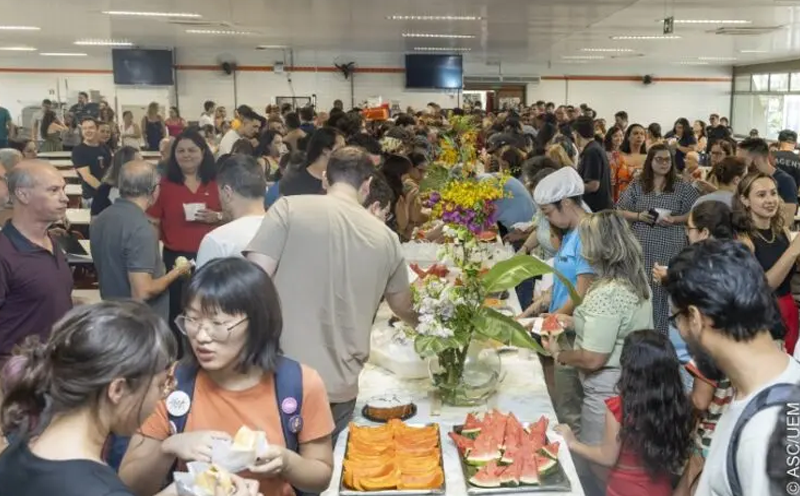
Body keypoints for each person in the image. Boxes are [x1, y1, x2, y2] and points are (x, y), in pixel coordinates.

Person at [120, 258, 335, 496]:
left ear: (258, 323)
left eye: (217, 323)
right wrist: (169, 447)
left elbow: (321, 476)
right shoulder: (171, 382)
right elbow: (130, 485)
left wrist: (287, 462)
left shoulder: (300, 383)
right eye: (192, 320)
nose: (201, 336)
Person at [245, 147, 417, 442]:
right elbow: (402, 306)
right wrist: (428, 324)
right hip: (339, 384)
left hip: (278, 373)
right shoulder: (386, 238)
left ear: (325, 179)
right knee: (322, 471)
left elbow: (251, 280)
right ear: (366, 186)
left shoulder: (288, 209)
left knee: (272, 468)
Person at [0, 301, 237, 496]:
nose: (162, 395)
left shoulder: (18, 452)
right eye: (160, 384)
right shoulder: (101, 488)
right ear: (117, 390)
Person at [665, 239, 800, 496]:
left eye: (677, 319)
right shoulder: (758, 391)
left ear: (694, 318)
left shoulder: (766, 435)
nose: (680, 331)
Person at [542, 211, 654, 455]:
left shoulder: (607, 292)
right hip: (633, 377)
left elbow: (593, 358)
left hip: (606, 386)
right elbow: (615, 324)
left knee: (598, 456)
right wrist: (572, 322)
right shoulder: (636, 279)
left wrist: (559, 353)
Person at [554, 330, 693, 496]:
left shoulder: (619, 407)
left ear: (627, 367)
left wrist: (572, 442)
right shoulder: (678, 405)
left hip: (623, 490)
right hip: (661, 490)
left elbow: (607, 457)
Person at [91, 161, 192, 323]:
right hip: (140, 324)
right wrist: (177, 272)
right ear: (154, 190)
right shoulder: (140, 227)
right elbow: (143, 291)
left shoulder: (101, 219)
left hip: (112, 314)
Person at [616, 144, 699, 335]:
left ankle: (662, 335)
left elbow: (695, 211)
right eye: (658, 159)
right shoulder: (638, 184)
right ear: (650, 161)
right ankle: (640, 332)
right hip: (642, 244)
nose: (663, 163)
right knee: (641, 288)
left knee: (663, 290)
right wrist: (639, 216)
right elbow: (619, 209)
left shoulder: (681, 186)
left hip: (671, 244)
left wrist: (676, 219)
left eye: (667, 159)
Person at [147, 129, 222, 330]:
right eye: (180, 151)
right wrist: (153, 260)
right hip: (175, 260)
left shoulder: (217, 183)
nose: (186, 155)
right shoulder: (164, 186)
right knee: (177, 312)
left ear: (203, 152)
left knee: (210, 310)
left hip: (211, 257)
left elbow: (235, 216)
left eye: (192, 150)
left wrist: (218, 217)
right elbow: (153, 221)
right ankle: (179, 356)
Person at [0, 161, 72, 363]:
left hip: (54, 370)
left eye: (64, 189)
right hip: (19, 380)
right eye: (53, 190)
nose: (64, 198)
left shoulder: (52, 243)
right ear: (23, 195)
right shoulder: (4, 253)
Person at [733, 172, 800, 355]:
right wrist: (793, 250)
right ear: (745, 201)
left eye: (773, 193)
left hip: (789, 311)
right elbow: (763, 286)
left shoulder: (783, 231)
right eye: (761, 195)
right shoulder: (743, 240)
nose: (770, 200)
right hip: (761, 316)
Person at [196, 155, 266, 268]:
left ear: (227, 192)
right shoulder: (285, 232)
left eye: (218, 193)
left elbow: (202, 286)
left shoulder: (217, 240)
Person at [738, 137, 798, 227]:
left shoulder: (786, 181)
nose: (739, 165)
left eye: (742, 161)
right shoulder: (746, 179)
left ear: (756, 161)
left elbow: (787, 220)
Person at [279, 127, 344, 197]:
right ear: (325, 150)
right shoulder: (295, 179)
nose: (345, 152)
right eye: (341, 148)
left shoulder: (342, 177)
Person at [71, 117, 112, 206]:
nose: (87, 131)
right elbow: (87, 176)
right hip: (92, 197)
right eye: (84, 128)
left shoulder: (104, 147)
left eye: (91, 128)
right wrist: (105, 192)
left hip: (107, 195)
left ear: (97, 129)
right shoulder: (79, 150)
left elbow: (110, 169)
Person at [574, 116, 612, 212]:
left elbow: (593, 185)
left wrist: (571, 188)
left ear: (577, 134)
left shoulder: (592, 152)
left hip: (596, 209)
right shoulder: (595, 147)